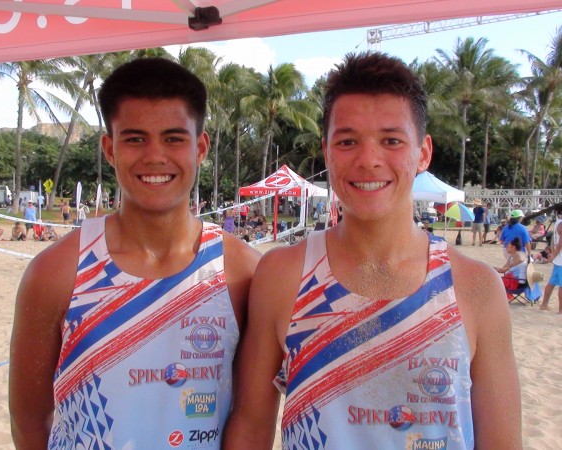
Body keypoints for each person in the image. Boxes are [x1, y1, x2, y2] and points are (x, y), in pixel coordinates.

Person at [223, 52, 521, 449]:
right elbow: (251, 426)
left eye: (391, 140)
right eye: (347, 141)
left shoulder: (476, 287)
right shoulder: (283, 275)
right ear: (327, 151)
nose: (368, 160)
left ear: (423, 153)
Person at [9, 57, 261, 449]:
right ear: (109, 148)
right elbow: (29, 422)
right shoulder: (56, 272)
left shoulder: (241, 272)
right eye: (135, 138)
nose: (155, 156)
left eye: (174, 138)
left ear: (201, 147)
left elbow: (250, 420)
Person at [540, 207, 562, 313]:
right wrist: (554, 254)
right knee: (559, 285)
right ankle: (561, 309)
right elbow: (560, 243)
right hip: (560, 259)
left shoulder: (558, 222)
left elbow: (554, 241)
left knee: (552, 282)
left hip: (558, 259)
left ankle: (544, 304)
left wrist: (553, 254)